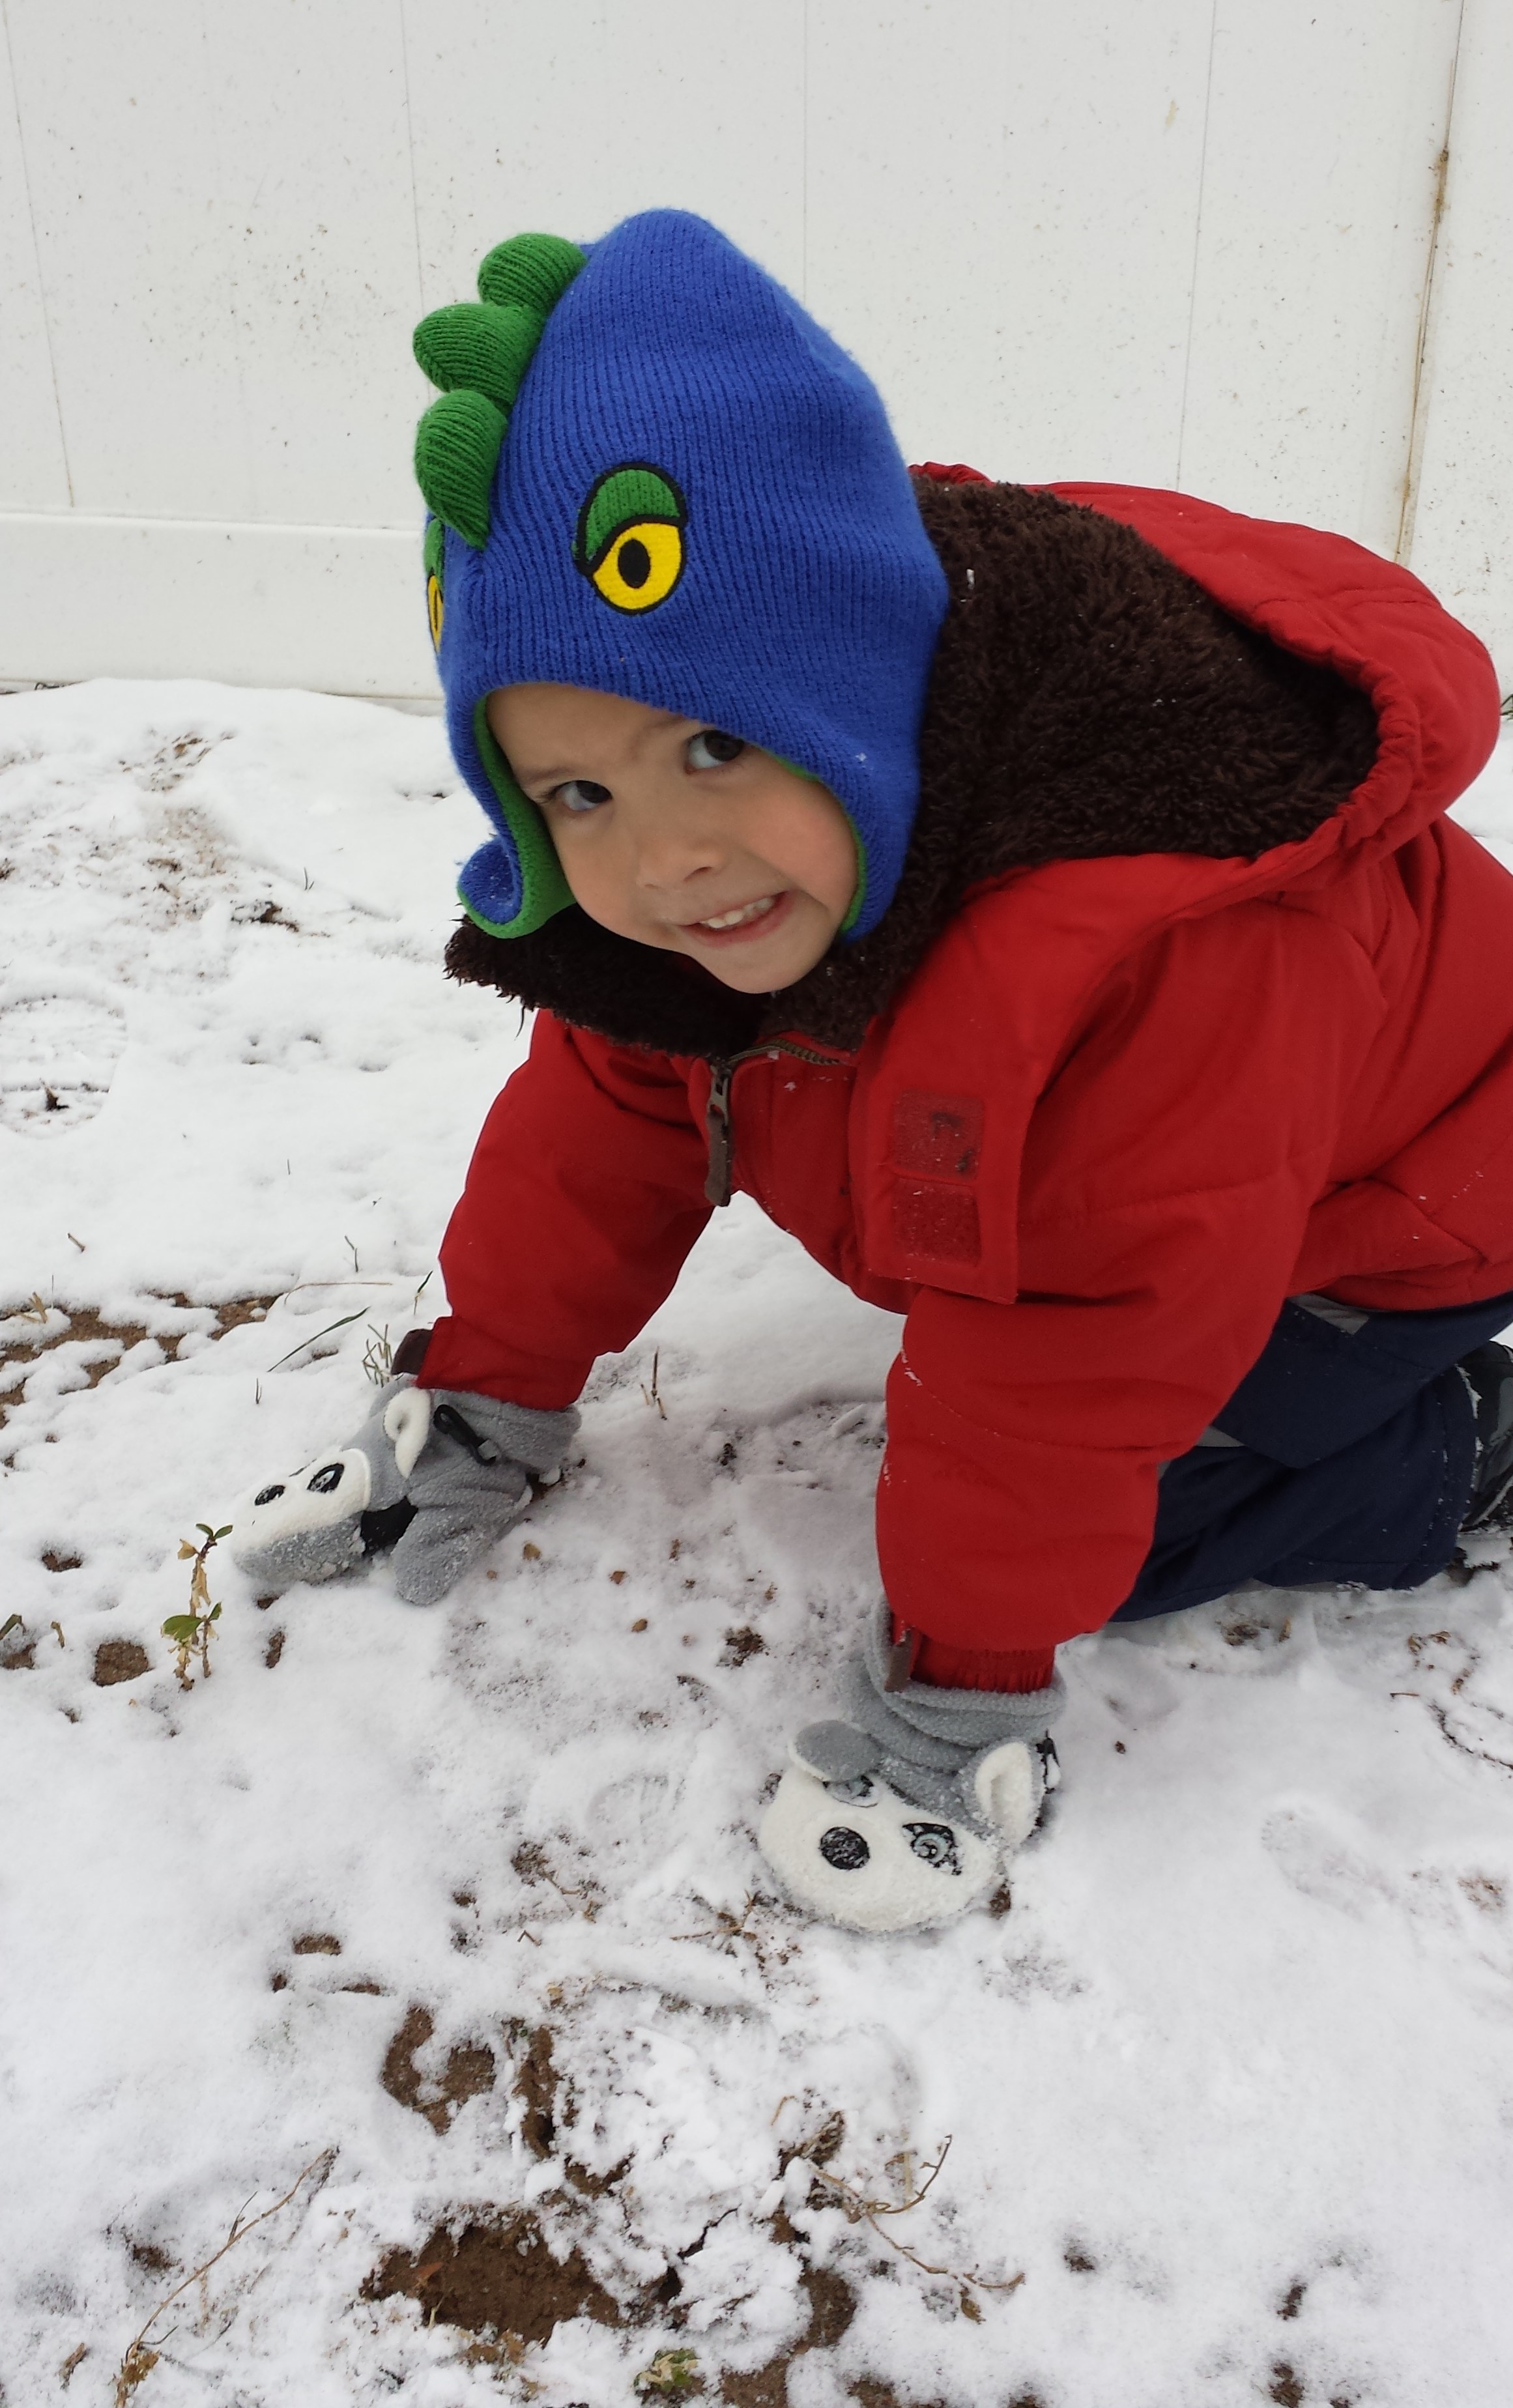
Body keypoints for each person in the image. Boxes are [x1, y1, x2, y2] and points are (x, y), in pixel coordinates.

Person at [233, 210, 1513, 1934]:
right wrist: (486, 1393)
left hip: (1405, 1208)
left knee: (1128, 1529)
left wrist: (967, 1679)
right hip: (1206, 1190)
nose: (665, 859)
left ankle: (1459, 1449)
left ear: (841, 676)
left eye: (711, 745)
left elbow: (1087, 1339)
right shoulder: (727, 883)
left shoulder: (1157, 954)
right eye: (577, 795)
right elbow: (603, 1134)